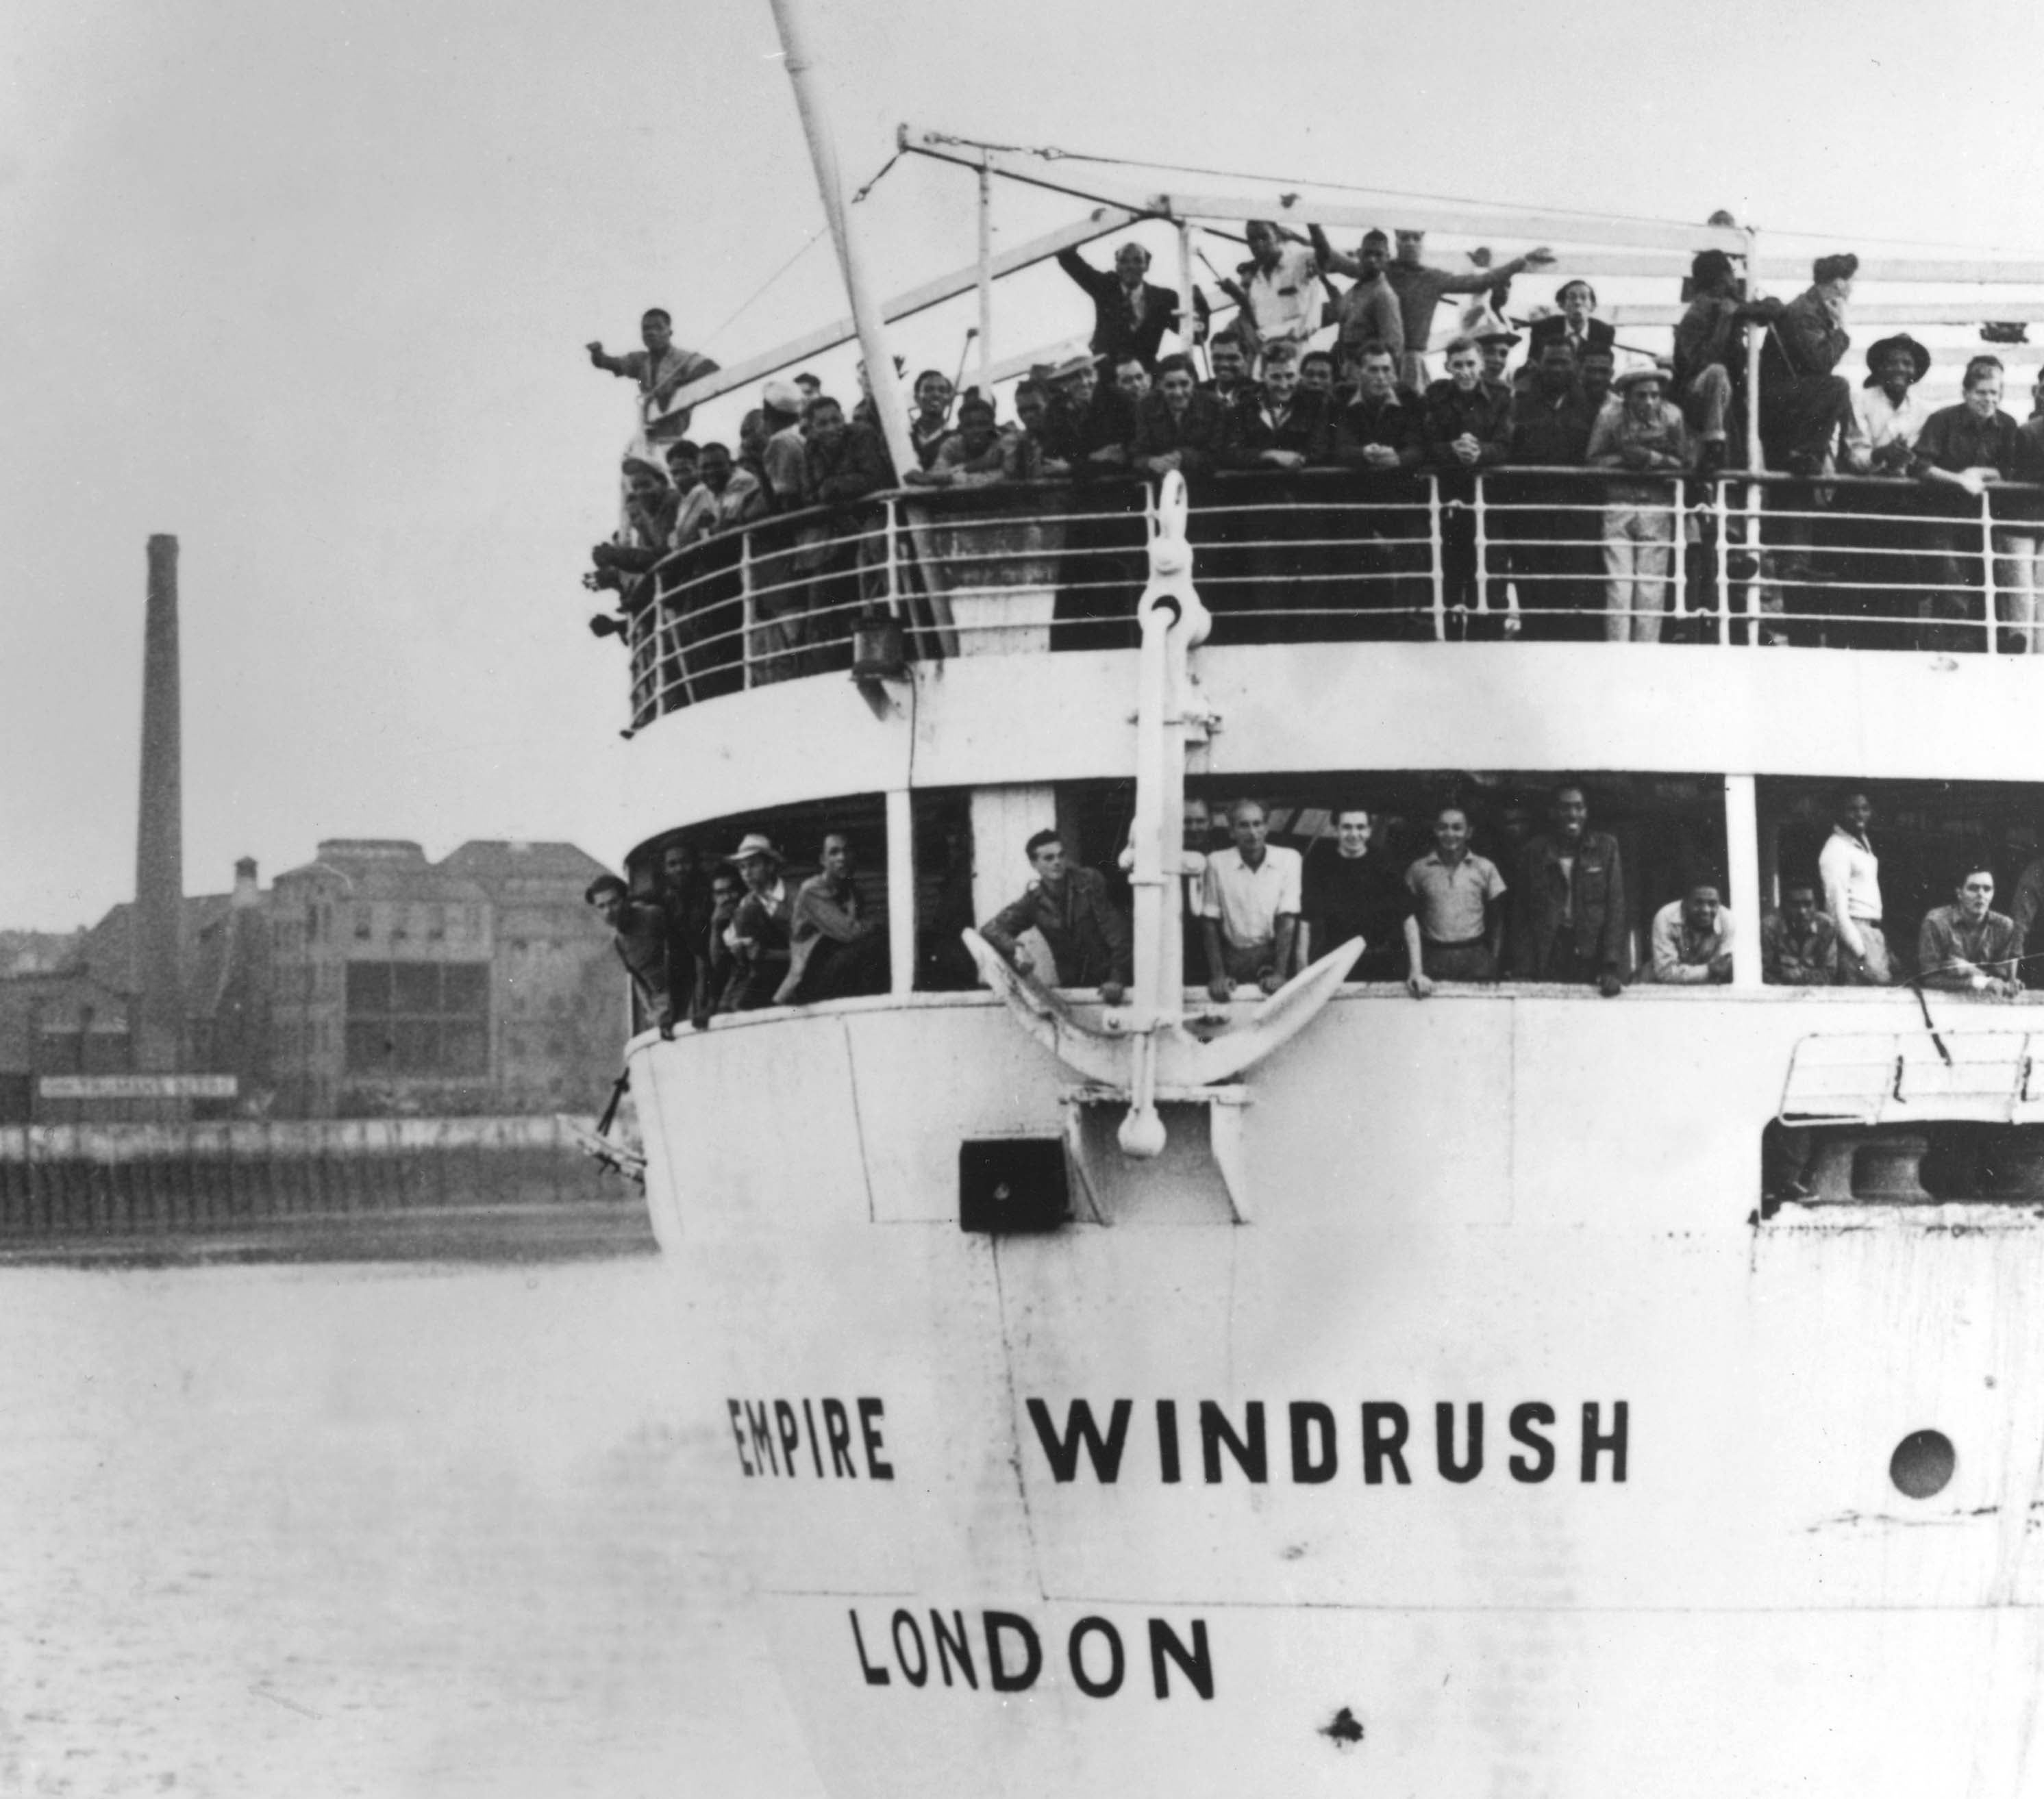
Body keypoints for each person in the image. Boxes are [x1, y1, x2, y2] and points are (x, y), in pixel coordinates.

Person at [1913, 355, 2021, 650]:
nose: (1988, 400)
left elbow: (2011, 470)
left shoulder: (2008, 425)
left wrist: (1981, 473)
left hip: (1983, 520)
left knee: (1984, 587)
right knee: (1951, 586)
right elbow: (1920, 466)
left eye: (1994, 393)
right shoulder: (1943, 420)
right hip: (1943, 516)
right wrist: (1959, 478)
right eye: (1981, 392)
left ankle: (1980, 653)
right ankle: (1947, 652)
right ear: (1966, 393)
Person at [1586, 365, 1692, 642]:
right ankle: (1618, 651)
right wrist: (1624, 459)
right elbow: (1593, 459)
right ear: (1627, 396)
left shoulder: (1673, 417)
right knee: (1619, 587)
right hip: (1619, 506)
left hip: (1656, 507)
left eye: (1654, 395)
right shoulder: (1609, 417)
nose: (1649, 401)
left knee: (1651, 587)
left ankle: (1646, 653)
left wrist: (1653, 460)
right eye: (1641, 395)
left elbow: (1684, 463)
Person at [1503, 337, 1600, 638]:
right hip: (1531, 512)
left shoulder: (1591, 408)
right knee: (1533, 587)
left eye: (1563, 362)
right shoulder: (1520, 406)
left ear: (1575, 366)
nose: (1557, 369)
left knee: (1572, 589)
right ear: (1538, 366)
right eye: (1551, 362)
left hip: (1575, 514)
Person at [1332, 342, 1429, 631]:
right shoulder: (1341, 401)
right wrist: (1363, 454)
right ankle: (1363, 627)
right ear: (1358, 372)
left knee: (1414, 550)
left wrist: (1399, 458)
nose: (1381, 377)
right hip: (1358, 501)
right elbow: (1336, 447)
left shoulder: (1410, 400)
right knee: (1360, 563)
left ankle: (1411, 624)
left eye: (1387, 369)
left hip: (1398, 498)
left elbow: (1421, 446)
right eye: (1373, 369)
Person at [1385, 229, 1554, 389]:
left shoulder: (1432, 278)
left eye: (1416, 238)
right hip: (1379, 354)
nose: (1410, 243)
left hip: (1413, 357)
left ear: (1423, 242)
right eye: (1405, 237)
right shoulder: (1382, 271)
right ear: (1396, 240)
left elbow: (1479, 282)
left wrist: (1521, 262)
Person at [979, 829, 1131, 1003]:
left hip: (1114, 982)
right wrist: (1016, 948)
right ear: (1033, 864)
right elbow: (990, 929)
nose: (1057, 862)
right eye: (1049, 858)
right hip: (1074, 986)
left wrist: (1117, 978)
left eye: (1061, 855)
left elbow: (1118, 934)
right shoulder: (1034, 900)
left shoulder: (1089, 883)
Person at [1427, 336, 1512, 627]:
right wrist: (1452, 449)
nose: (1465, 371)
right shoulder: (1435, 396)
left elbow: (1506, 444)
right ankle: (1450, 642)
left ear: (1481, 365)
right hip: (1447, 498)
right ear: (1448, 366)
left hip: (1488, 500)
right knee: (1450, 571)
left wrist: (1479, 452)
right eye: (1458, 364)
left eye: (1471, 364)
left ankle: (1487, 645)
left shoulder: (1501, 397)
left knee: (1490, 572)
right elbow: (1426, 442)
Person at [1510, 785, 1628, 994]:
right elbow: (1522, 913)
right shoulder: (1535, 851)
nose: (1572, 814)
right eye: (1565, 808)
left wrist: (1611, 966)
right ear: (1553, 813)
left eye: (1579, 807)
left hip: (1590, 952)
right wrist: (1524, 966)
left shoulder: (1605, 848)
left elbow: (1615, 909)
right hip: (1548, 951)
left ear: (1587, 812)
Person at [1299, 807, 1423, 990]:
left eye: (1360, 827)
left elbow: (1408, 918)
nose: (1354, 834)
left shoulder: (1383, 862)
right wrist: (1303, 972)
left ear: (1369, 830)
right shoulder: (1322, 864)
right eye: (1347, 827)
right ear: (1336, 829)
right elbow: (1305, 922)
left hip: (1381, 962)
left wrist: (1417, 971)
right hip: (1337, 964)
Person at [1759, 253, 1858, 476]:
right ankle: (1807, 453)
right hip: (1780, 401)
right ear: (1839, 284)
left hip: (1788, 398)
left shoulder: (1812, 309)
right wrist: (1842, 329)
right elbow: (1821, 363)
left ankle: (1812, 454)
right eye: (1851, 283)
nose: (1852, 289)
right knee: (1838, 387)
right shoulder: (1805, 313)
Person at [1671, 249, 1768, 475]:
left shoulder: (1730, 305)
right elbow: (1701, 363)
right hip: (1697, 394)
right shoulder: (1696, 315)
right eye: (1731, 274)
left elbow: (1774, 309)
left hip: (1727, 396)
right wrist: (1725, 322)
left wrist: (1743, 310)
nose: (1735, 281)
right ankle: (1713, 445)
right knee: (1716, 372)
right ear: (1721, 279)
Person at [1199, 800, 1304, 999]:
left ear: (1267, 827)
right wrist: (1219, 975)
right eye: (1244, 825)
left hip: (1273, 957)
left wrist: (1280, 973)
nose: (1252, 832)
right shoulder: (1216, 862)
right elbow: (1209, 921)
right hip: (1233, 958)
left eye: (1257, 824)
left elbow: (1288, 919)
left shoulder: (1289, 859)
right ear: (1231, 831)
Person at [1405, 805, 1508, 987]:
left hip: (1475, 956)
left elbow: (1498, 918)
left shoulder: (1485, 868)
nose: (1450, 834)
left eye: (1457, 828)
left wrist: (1494, 958)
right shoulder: (1418, 869)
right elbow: (1408, 914)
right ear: (1435, 830)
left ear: (1469, 832)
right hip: (1433, 956)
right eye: (1443, 827)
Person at [778, 832, 888, 1003]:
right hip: (809, 976)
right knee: (876, 942)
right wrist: (876, 926)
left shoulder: (853, 893)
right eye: (834, 852)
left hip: (838, 968)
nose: (842, 858)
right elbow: (850, 932)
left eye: (847, 851)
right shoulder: (812, 890)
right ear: (823, 860)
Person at [586, 308, 720, 438]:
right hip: (648, 428)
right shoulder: (640, 360)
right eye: (646, 329)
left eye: (658, 328)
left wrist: (679, 385)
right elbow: (609, 363)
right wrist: (597, 353)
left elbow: (711, 368)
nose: (651, 333)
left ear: (669, 332)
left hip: (673, 430)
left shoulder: (681, 358)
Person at [1056, 238, 1182, 371]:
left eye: (1137, 260)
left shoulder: (1164, 298)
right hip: (1108, 375)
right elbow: (1068, 259)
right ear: (1117, 266)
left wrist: (1197, 301)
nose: (1130, 266)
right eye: (1124, 261)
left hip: (1145, 374)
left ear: (1147, 265)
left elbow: (1191, 332)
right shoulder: (1105, 288)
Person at [586, 874, 677, 1038]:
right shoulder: (619, 942)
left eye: (614, 902)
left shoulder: (653, 916)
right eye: (601, 906)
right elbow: (640, 982)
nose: (609, 911)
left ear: (626, 899)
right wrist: (655, 1015)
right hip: (662, 1009)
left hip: (684, 996)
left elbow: (682, 957)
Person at [1217, 221, 1326, 357]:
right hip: (1268, 356)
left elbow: (1326, 256)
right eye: (1252, 240)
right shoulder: (1257, 281)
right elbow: (1259, 324)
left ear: (1278, 236)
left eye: (1264, 237)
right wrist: (1241, 299)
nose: (1258, 245)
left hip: (1297, 353)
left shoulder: (1301, 260)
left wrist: (1302, 230)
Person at [1817, 789, 1890, 985]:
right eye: (1852, 809)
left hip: (1872, 933)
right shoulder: (1836, 849)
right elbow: (1836, 911)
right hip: (1854, 935)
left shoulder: (1861, 843)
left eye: (1865, 808)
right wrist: (1860, 952)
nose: (1860, 814)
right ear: (1839, 812)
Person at [1309, 225, 1406, 368]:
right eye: (1367, 254)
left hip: (1365, 372)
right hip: (1345, 368)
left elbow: (1393, 348)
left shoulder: (1384, 296)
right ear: (1359, 254)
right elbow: (1339, 314)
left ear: (1387, 257)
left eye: (1378, 255)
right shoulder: (1357, 290)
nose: (1372, 260)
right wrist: (1323, 279)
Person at [1918, 866, 2022, 995]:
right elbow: (1930, 978)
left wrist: (1971, 970)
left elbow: (2001, 979)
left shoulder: (2004, 926)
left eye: (1987, 889)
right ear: (1959, 893)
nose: (1981, 894)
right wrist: (1979, 982)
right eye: (1973, 888)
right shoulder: (1936, 922)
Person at [724, 833, 796, 1011]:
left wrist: (765, 954)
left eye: (753, 865)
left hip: (796, 972)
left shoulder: (796, 897)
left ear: (770, 866)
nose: (746, 873)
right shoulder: (747, 902)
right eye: (742, 868)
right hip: (764, 977)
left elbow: (809, 951)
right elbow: (734, 943)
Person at [1133, 355, 1228, 479]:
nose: (1178, 393)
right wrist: (1151, 463)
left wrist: (1182, 457)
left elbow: (1220, 455)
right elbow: (1137, 455)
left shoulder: (1214, 406)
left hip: (1203, 481)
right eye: (1170, 386)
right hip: (1162, 482)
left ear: (1193, 381)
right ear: (1160, 385)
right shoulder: (1146, 407)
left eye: (1184, 384)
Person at [1646, 879, 1735, 984]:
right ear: (1685, 903)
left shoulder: (1727, 920)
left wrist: (1714, 970)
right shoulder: (1666, 917)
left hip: (1709, 987)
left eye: (1712, 904)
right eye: (1698, 903)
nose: (1706, 910)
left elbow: (1723, 968)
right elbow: (1666, 973)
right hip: (1661, 986)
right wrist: (1710, 970)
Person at [1761, 880, 1839, 985]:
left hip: (1814, 994)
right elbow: (1762, 971)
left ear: (1816, 906)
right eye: (1795, 905)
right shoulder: (1770, 928)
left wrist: (1799, 978)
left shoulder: (1826, 927)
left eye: (1808, 904)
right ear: (1784, 907)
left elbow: (1830, 973)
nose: (1802, 911)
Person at [699, 864, 746, 1023]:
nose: (727, 898)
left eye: (731, 891)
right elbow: (717, 963)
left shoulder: (749, 908)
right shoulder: (717, 920)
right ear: (713, 897)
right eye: (720, 893)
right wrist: (716, 926)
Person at [1527, 281, 1615, 364]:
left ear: (1593, 306)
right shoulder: (1543, 328)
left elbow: (1604, 366)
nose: (1578, 302)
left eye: (1584, 298)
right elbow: (1533, 363)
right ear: (1561, 305)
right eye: (1572, 297)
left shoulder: (1604, 332)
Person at [908, 370, 956, 470]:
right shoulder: (905, 434)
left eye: (942, 390)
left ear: (950, 400)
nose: (936, 395)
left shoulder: (957, 438)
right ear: (917, 398)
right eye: (929, 390)